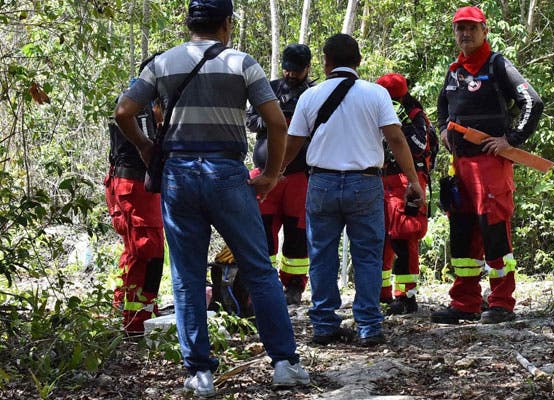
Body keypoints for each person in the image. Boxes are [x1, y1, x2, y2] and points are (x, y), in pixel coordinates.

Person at [114, 0, 310, 396]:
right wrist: (271, 174)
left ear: (190, 23)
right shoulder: (242, 63)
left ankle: (200, 373)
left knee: (187, 278)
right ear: (227, 24)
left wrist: (145, 147)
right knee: (258, 268)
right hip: (226, 173)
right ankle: (285, 364)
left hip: (179, 177)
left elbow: (124, 111)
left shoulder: (163, 63)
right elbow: (276, 122)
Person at [284, 34, 425, 347]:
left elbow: (293, 143)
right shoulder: (376, 95)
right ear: (358, 62)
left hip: (321, 182)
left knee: (321, 254)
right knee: (368, 254)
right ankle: (368, 326)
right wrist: (413, 181)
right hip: (365, 182)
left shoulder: (310, 96)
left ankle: (323, 325)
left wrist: (273, 173)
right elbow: (397, 139)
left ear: (325, 62)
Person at [431, 6, 544, 325]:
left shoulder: (498, 66)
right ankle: (464, 302)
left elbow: (532, 102)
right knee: (462, 232)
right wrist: (443, 129)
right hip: (459, 166)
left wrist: (511, 139)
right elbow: (443, 104)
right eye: (459, 28)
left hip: (491, 165)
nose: (464, 33)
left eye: (471, 28)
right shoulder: (454, 70)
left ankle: (501, 303)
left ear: (485, 31)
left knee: (494, 230)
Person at [245, 44, 315, 305]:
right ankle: (264, 282)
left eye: (296, 71)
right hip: (264, 172)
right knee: (262, 229)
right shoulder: (269, 89)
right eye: (287, 69)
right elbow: (250, 120)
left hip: (299, 174)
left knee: (297, 232)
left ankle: (294, 285)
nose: (290, 75)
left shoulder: (313, 93)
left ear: (307, 68)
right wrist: (276, 119)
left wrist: (297, 122)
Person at [104, 54, 164, 335]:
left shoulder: (141, 101)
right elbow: (150, 145)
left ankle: (130, 310)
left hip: (131, 185)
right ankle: (136, 320)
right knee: (148, 252)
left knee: (137, 252)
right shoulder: (138, 104)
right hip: (134, 186)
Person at [375, 73, 435, 315]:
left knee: (405, 236)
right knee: (380, 239)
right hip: (381, 179)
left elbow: (418, 147)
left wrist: (399, 127)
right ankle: (380, 294)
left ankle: (406, 295)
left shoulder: (415, 116)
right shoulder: (377, 112)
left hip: (407, 180)